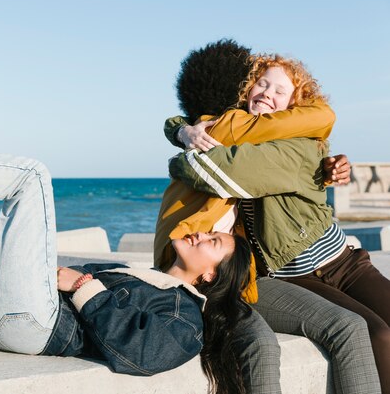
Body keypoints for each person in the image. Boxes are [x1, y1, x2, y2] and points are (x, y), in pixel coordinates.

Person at [0, 104, 252, 390]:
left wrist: (83, 287)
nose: (200, 233)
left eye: (212, 241)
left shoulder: (186, 315)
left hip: (35, 327)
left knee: (33, 176)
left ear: (211, 274)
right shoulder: (142, 272)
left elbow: (142, 354)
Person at [157, 41, 383, 394]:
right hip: (295, 276)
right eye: (261, 84)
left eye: (281, 90)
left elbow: (209, 164)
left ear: (293, 106)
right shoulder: (234, 132)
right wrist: (182, 131)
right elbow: (200, 130)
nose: (267, 93)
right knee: (377, 332)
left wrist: (182, 153)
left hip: (344, 261)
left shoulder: (291, 144)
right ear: (246, 88)